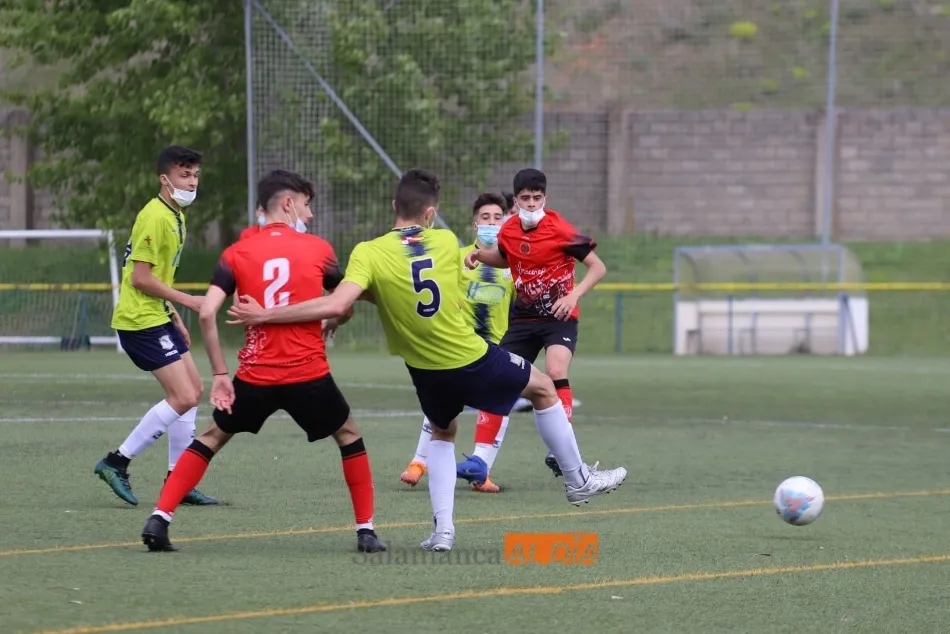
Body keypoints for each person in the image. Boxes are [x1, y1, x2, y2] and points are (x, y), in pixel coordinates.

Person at [227, 168, 626, 552]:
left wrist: (267, 314)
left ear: (393, 205)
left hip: (425, 372)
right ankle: (578, 481)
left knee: (442, 432)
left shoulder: (369, 252)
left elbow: (339, 301)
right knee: (544, 389)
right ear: (430, 214)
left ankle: (443, 532)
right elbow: (480, 265)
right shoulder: (444, 243)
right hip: (467, 355)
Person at [139, 169, 384, 553]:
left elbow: (206, 314)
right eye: (306, 204)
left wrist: (221, 374)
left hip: (255, 374)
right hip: (308, 372)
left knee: (212, 437)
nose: (310, 213)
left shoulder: (236, 253)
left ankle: (160, 519)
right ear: (288, 203)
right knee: (349, 435)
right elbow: (345, 304)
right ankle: (366, 532)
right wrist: (333, 321)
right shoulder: (319, 249)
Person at [94, 146, 219, 507]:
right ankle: (115, 462)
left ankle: (179, 480)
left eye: (195, 175)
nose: (192, 182)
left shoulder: (175, 214)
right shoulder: (155, 216)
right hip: (139, 321)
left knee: (194, 390)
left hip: (157, 315)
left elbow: (156, 277)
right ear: (165, 180)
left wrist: (173, 314)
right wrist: (188, 301)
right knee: (182, 396)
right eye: (184, 175)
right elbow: (140, 278)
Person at [464, 168, 607, 478]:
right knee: (497, 378)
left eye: (537, 198)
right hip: (524, 319)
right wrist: (480, 256)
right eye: (525, 199)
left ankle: (561, 449)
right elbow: (505, 257)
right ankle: (479, 460)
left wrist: (573, 296)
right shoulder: (509, 230)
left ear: (545, 198)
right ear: (516, 201)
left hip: (559, 317)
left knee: (556, 370)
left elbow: (598, 268)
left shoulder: (560, 229)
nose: (531, 204)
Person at [400, 192, 516, 493]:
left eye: (497, 218)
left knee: (502, 401)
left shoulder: (512, 266)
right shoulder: (459, 257)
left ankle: (481, 469)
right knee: (443, 405)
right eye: (485, 218)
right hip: (460, 346)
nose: (491, 223)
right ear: (475, 225)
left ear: (505, 223)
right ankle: (418, 461)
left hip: (495, 348)